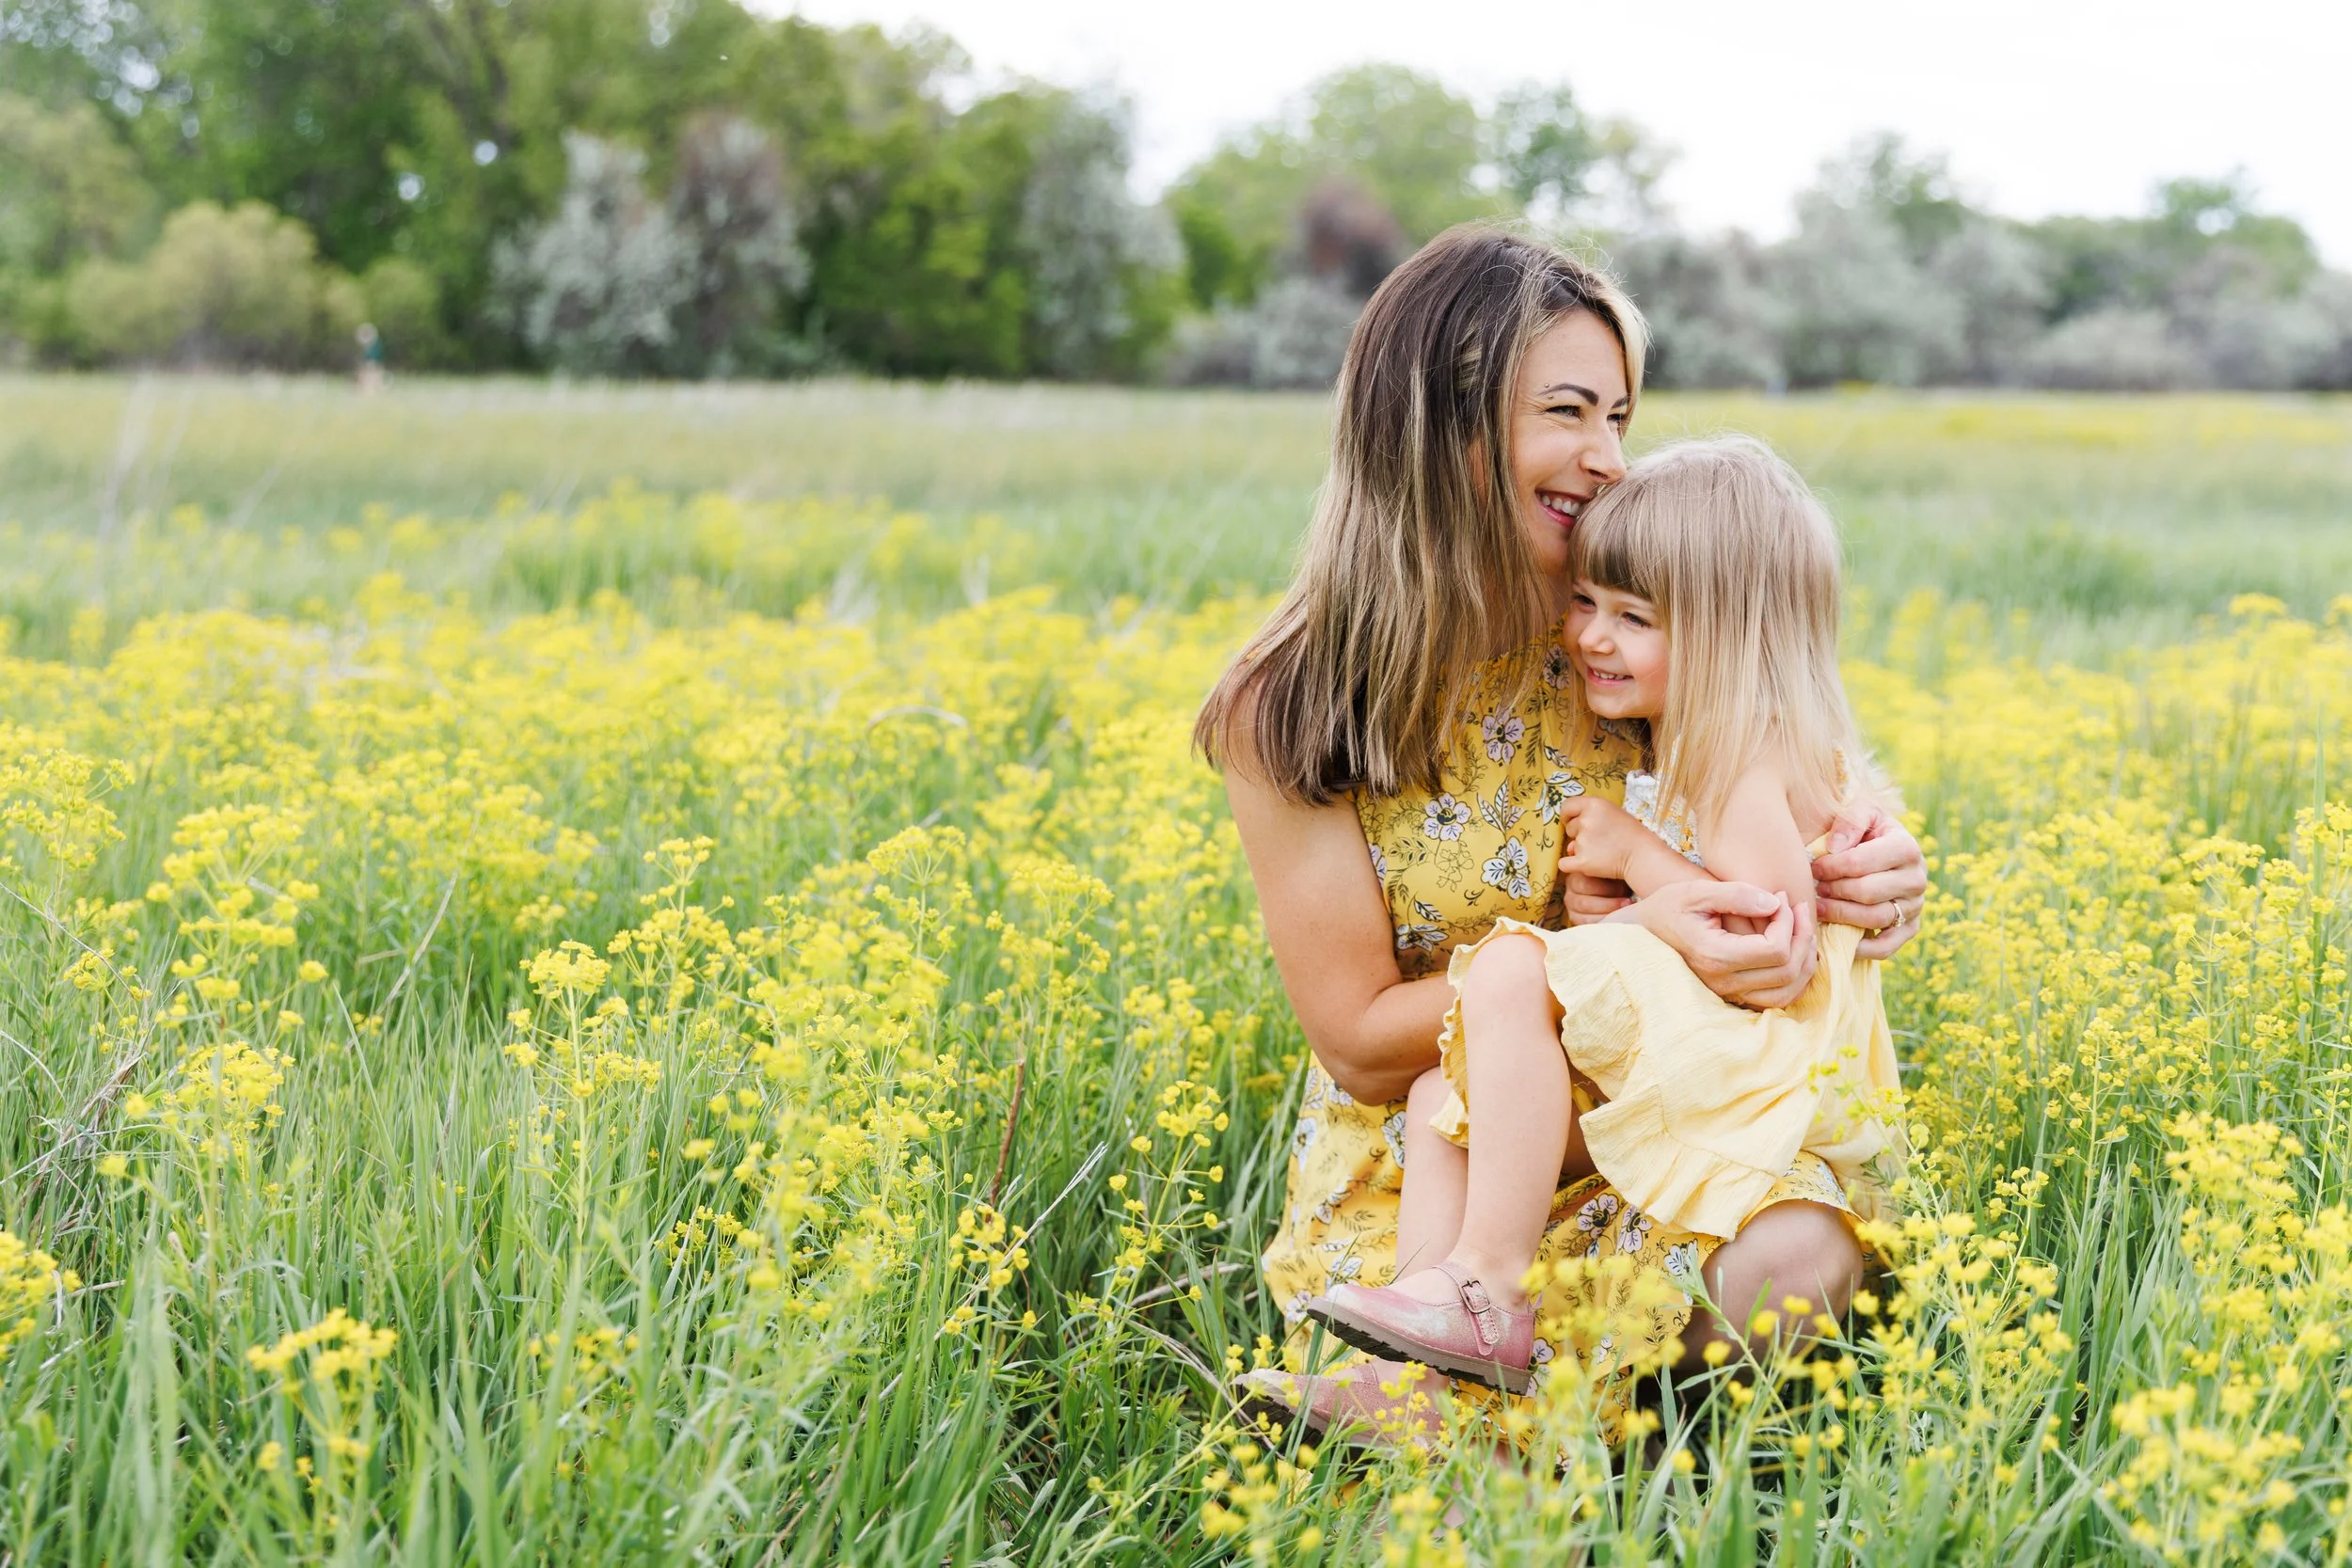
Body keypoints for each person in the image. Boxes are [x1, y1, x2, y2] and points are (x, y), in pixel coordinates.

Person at [1193, 226, 1928, 1444]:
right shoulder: (1294, 702)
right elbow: (1367, 1045)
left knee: (1797, 1254)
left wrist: (1880, 867)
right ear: (1442, 420)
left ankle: (1505, 1413)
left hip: (1654, 1121)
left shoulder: (1629, 628)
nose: (1606, 459)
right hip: (1442, 1152)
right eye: (1572, 412)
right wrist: (1641, 924)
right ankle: (1482, 1381)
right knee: (1444, 1137)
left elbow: (1784, 800)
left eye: (1622, 419)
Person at [1300, 436, 1906, 1396]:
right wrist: (1616, 903)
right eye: (1586, 603)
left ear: (1726, 635)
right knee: (1436, 1101)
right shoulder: (1694, 741)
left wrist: (1638, 861)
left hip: (1753, 1075)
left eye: (1634, 617)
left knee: (1504, 971)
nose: (1591, 636)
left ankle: (1487, 1291)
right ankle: (1427, 1352)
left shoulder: (1742, 763)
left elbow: (1768, 947)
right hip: (1705, 1055)